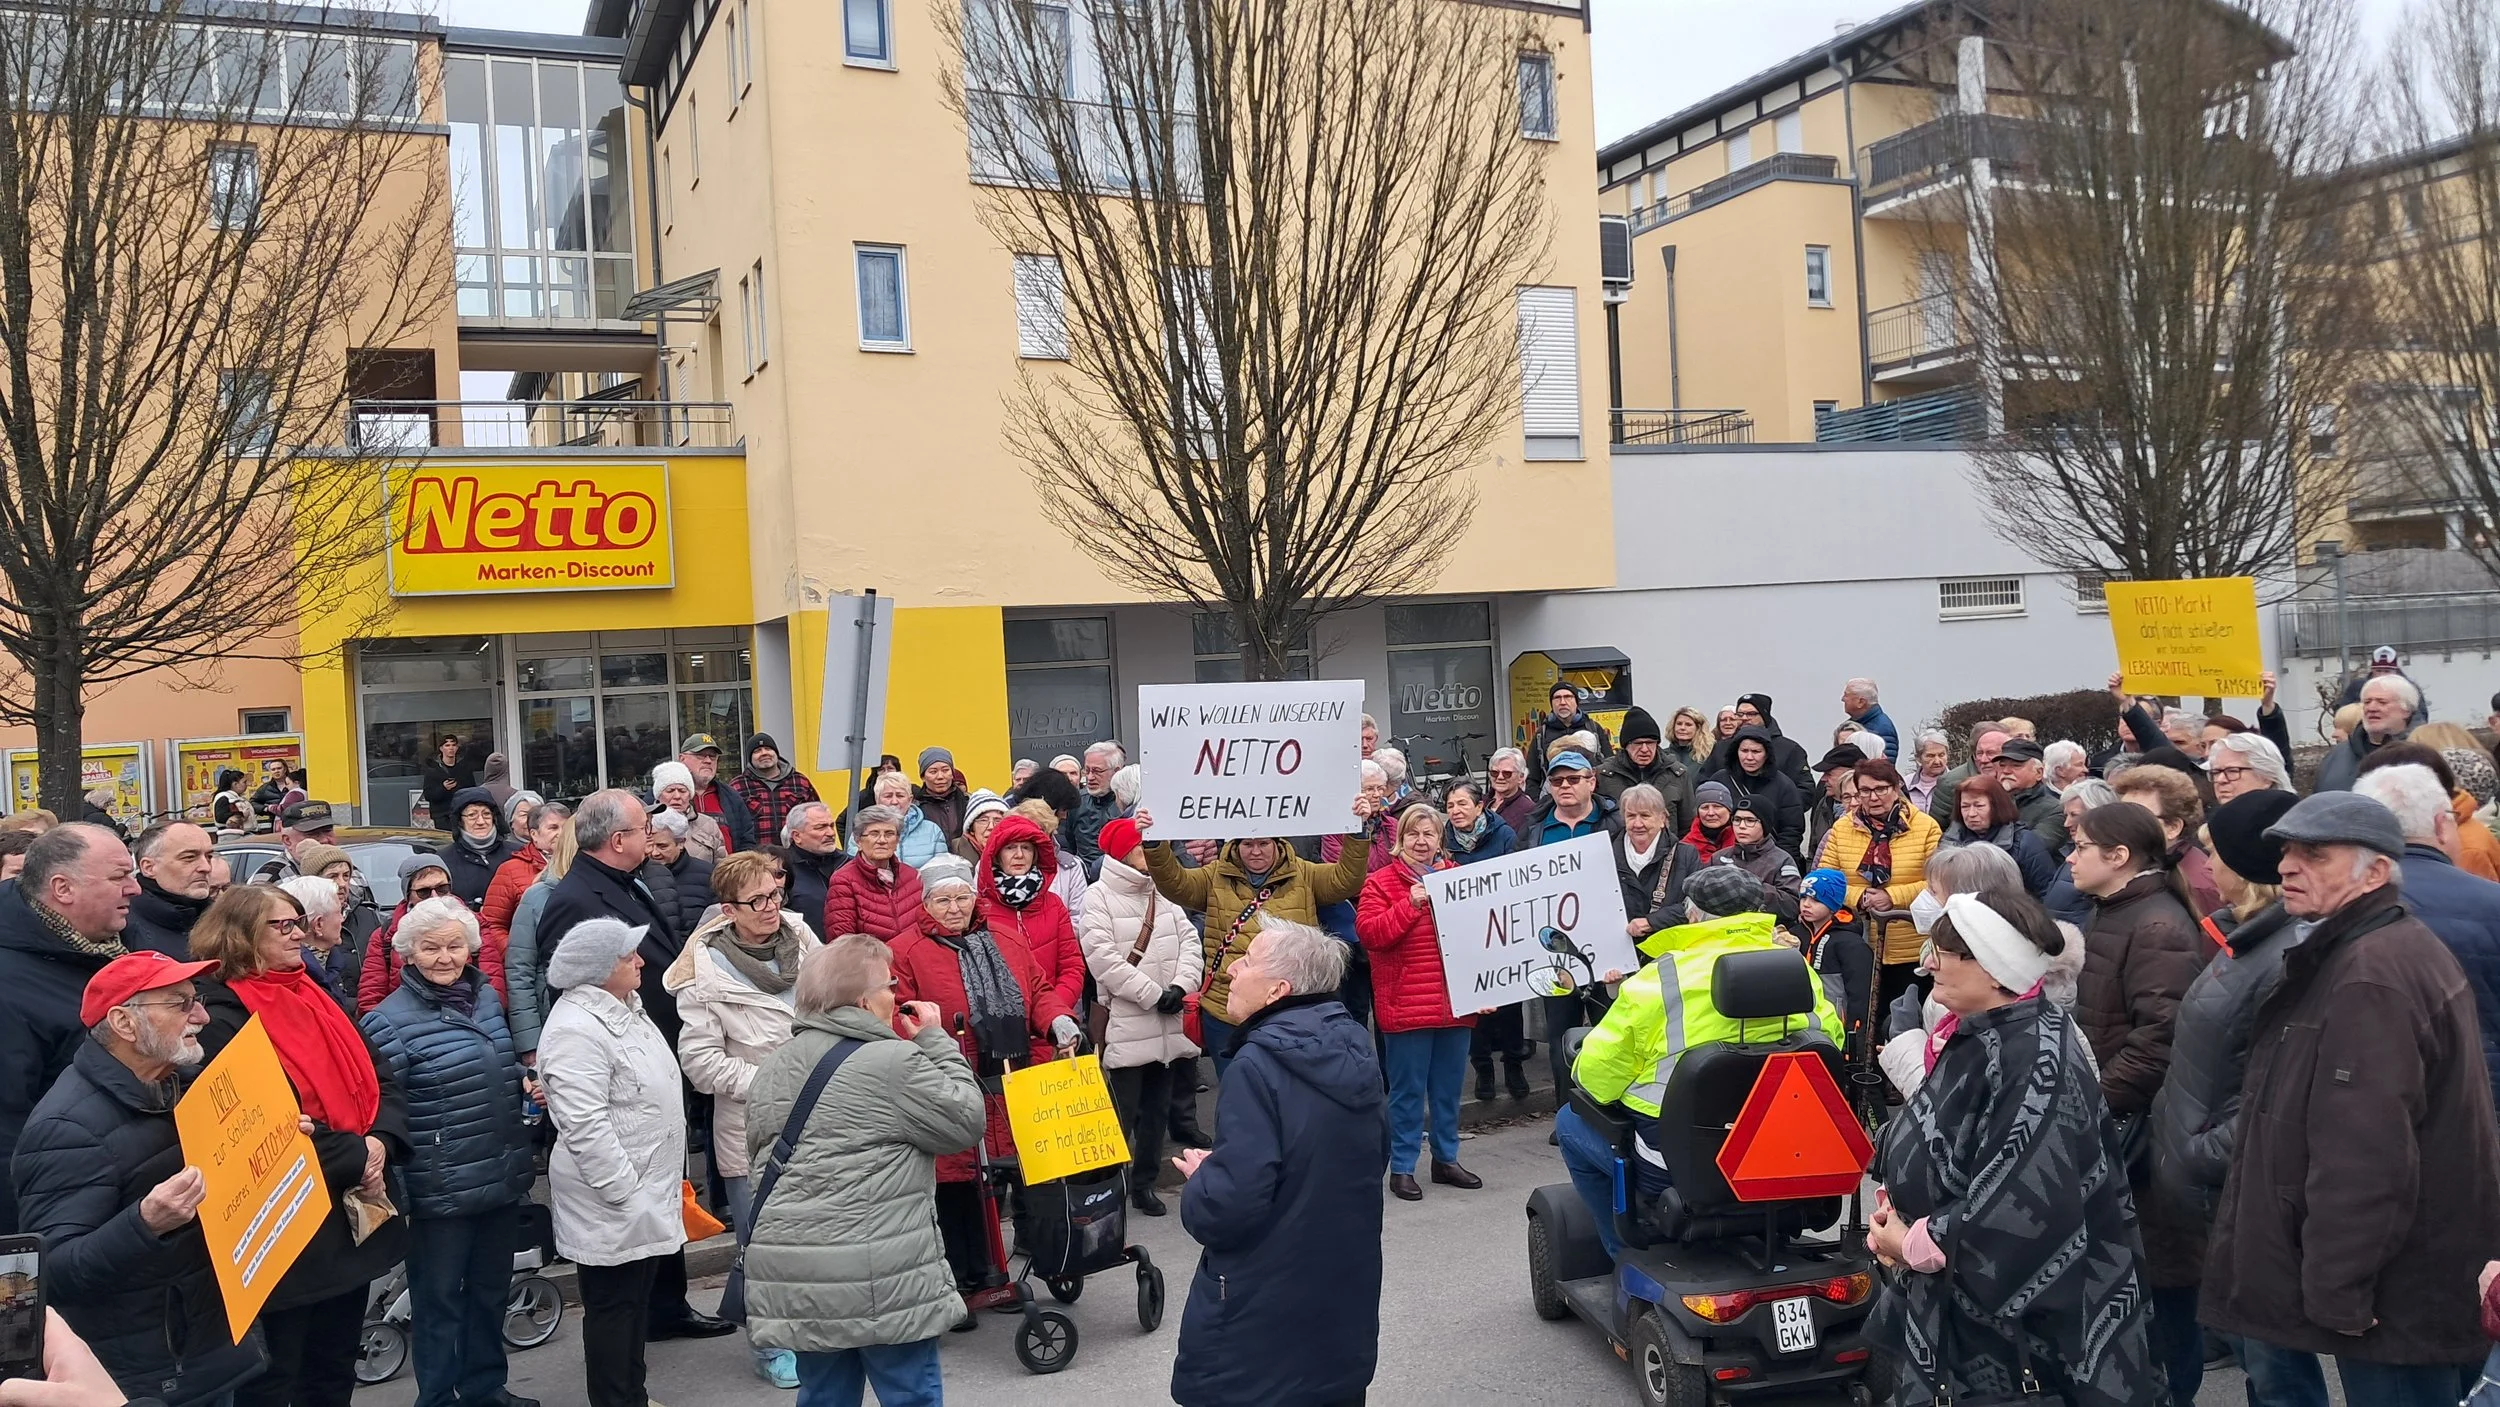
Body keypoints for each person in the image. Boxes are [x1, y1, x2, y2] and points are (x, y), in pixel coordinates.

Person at [2202, 792, 2500, 1404]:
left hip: (2398, 1287)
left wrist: (2339, 1289)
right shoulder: (2366, 951)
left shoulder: (2371, 972)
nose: (2287, 866)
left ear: (2378, 870)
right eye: (2286, 851)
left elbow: (2366, 1155)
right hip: (2410, 1273)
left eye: (2314, 854)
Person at [1865, 890, 2157, 1406]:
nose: (1926, 963)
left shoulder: (2033, 1058)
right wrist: (1895, 1201)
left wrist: (1911, 1242)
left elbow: (2023, 1211)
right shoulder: (1980, 1033)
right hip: (1960, 1304)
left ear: (1993, 969)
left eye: (1943, 954)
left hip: (2018, 1338)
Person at [13, 949, 267, 1407]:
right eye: (180, 1003)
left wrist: (278, 1133)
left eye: (198, 999)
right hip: (148, 1376)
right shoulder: (66, 1129)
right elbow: (52, 1272)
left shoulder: (183, 1082)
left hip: (203, 1347)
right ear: (125, 1023)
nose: (203, 1017)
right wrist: (146, 1222)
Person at [190, 884, 409, 1407]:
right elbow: (269, 1120)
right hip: (285, 1222)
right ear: (240, 934)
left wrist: (381, 1140)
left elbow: (378, 1075)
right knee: (277, 1377)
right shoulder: (221, 1015)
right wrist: (361, 1157)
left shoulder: (312, 990)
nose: (300, 933)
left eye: (299, 922)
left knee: (332, 1370)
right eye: (282, 926)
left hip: (348, 1209)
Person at [740, 937, 984, 1407]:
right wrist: (935, 1040)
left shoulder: (773, 1066)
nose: (896, 993)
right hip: (880, 1272)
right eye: (890, 985)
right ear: (862, 1001)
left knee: (824, 1395)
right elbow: (964, 1122)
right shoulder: (894, 1062)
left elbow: (757, 1157)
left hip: (798, 1270)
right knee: (909, 1392)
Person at [1558, 866, 1840, 1258]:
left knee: (1570, 1121)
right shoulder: (1797, 969)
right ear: (1756, 911)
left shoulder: (1660, 979)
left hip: (1680, 1168)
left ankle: (1624, 1251)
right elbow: (1832, 1046)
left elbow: (1597, 1079)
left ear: (1692, 915)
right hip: (1785, 1158)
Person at [534, 791, 728, 1347]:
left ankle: (666, 1305)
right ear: (618, 840)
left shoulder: (631, 879)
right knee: (639, 1186)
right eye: (645, 828)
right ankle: (646, 1314)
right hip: (620, 1067)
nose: (655, 835)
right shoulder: (576, 897)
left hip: (653, 1047)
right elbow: (567, 983)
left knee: (667, 1178)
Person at [1169, 920, 1385, 1407]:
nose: (1231, 970)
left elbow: (1228, 1208)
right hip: (1341, 1289)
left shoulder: (1257, 1065)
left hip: (1265, 1305)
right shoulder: (1353, 1044)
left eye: (1246, 962)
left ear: (1277, 991)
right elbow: (1370, 1155)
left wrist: (1204, 1181)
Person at [357, 898, 539, 1407]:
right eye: (430, 947)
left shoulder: (484, 1000)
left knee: (489, 1293)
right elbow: (385, 1112)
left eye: (455, 945)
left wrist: (525, 1087)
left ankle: (486, 1388)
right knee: (438, 1303)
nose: (444, 957)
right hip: (439, 1184)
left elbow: (497, 1072)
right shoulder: (386, 1022)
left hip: (499, 1172)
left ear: (472, 948)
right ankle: (437, 1398)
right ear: (407, 954)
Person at [886, 855, 1079, 1301]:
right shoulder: (904, 950)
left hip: (1015, 1079)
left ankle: (1039, 1258)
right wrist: (930, 1038)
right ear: (925, 902)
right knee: (960, 1184)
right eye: (943, 899)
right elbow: (899, 1014)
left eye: (962, 897)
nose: (955, 907)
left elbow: (1039, 992)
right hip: (952, 1083)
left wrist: (1058, 1022)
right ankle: (968, 1278)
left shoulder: (1007, 938)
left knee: (1028, 1174)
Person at [664, 852, 821, 1388]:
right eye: (757, 901)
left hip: (821, 1112)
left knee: (817, 1236)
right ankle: (772, 1343)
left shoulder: (802, 938)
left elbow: (833, 1007)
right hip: (752, 1126)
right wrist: (773, 1083)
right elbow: (701, 1063)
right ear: (728, 910)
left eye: (775, 894)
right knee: (763, 1241)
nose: (771, 907)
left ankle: (819, 1331)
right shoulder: (703, 971)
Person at [2066, 799, 2207, 1388]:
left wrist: (2096, 1101)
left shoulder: (2154, 924)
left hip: (2141, 1132)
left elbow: (2161, 1035)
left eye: (2080, 847)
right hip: (2121, 1122)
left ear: (2118, 856)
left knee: (2163, 1288)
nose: (2069, 857)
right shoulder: (2117, 910)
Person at [537, 917, 688, 1407]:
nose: (640, 962)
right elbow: (585, 1126)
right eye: (629, 956)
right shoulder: (576, 1030)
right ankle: (616, 1400)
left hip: (644, 1188)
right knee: (614, 1309)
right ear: (599, 970)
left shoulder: (626, 1010)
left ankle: (633, 1396)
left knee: (633, 1304)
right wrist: (625, 1191)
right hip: (613, 1196)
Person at [2149, 790, 2301, 1238]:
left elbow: (2285, 1090)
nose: (2206, 864)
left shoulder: (2285, 954)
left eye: (2214, 852)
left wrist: (2203, 1152)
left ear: (2248, 864)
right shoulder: (2244, 934)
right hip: (2203, 1179)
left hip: (2230, 1188)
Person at [1136, 796, 1375, 1069]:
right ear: (1235, 846)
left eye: (1263, 844)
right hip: (1227, 1009)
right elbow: (1175, 884)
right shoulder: (1214, 876)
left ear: (1277, 844)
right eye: (1248, 844)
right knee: (1236, 1092)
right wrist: (1155, 844)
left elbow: (1346, 880)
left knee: (1287, 1093)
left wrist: (1357, 833)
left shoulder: (1304, 873)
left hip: (1290, 1007)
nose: (1256, 851)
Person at [0, 824, 141, 1234]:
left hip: (123, 1194)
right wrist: (26, 1257)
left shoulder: (109, 943)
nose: (135, 889)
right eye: (119, 877)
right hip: (66, 1219)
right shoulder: (9, 983)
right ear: (63, 889)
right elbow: (8, 1129)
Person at [2352, 762, 2500, 1117]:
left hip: (2368, 1097)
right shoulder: (2493, 903)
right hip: (2481, 1099)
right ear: (2439, 823)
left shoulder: (2340, 903)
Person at [1356, 806, 1479, 1203]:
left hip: (1454, 1005)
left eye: (1429, 834)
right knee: (1407, 1093)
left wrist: (1487, 989)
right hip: (1407, 1005)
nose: (1421, 842)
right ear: (1400, 839)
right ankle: (1403, 1167)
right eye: (1414, 835)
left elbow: (1481, 938)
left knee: (1447, 1090)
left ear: (1440, 840)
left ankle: (1446, 1159)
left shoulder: (1459, 878)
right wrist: (1410, 904)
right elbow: (1370, 934)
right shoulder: (1380, 883)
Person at [1080, 818, 1202, 1216]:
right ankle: (1108, 1189)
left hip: (1168, 1021)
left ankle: (1145, 1183)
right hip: (1128, 1023)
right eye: (1142, 847)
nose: (1151, 854)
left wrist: (1181, 988)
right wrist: (1154, 995)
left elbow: (1190, 943)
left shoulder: (1162, 892)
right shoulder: (1097, 897)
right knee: (1122, 1113)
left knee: (1157, 1111)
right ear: (1123, 852)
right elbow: (1103, 959)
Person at [1815, 757, 1944, 1015]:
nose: (1873, 797)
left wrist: (1891, 897)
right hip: (1857, 941)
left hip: (1909, 944)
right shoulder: (1842, 828)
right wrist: (1860, 896)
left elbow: (1938, 882)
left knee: (1906, 1016)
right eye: (1865, 791)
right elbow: (1825, 878)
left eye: (1881, 789)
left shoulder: (1925, 827)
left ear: (1896, 788)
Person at [2113, 763, 2222, 918]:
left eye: (2139, 816)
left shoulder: (2198, 885)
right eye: (2121, 814)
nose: (2124, 824)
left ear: (2173, 827)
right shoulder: (2145, 866)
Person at [359, 855, 460, 1015]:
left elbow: (491, 985)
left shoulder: (473, 925)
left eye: (442, 889)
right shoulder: (385, 936)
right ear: (408, 895)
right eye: (423, 892)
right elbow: (371, 998)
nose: (434, 897)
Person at [483, 800, 566, 986]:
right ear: (534, 835)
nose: (561, 833)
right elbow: (492, 925)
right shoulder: (511, 870)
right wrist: (519, 954)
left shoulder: (580, 866)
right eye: (553, 827)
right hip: (530, 973)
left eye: (566, 827)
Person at [822, 805, 924, 943]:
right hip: (869, 961)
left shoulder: (913, 876)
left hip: (911, 960)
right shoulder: (844, 880)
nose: (882, 840)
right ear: (858, 841)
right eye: (874, 834)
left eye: (889, 834)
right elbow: (842, 941)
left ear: (897, 840)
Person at [1942, 774, 2056, 897]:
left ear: (1997, 806)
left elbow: (2046, 892)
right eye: (1965, 806)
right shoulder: (1950, 840)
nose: (1971, 814)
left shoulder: (2023, 842)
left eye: (1979, 806)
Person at [1702, 726, 1805, 857]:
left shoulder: (1784, 785)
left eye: (1756, 751)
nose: (1749, 757)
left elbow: (1791, 831)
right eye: (1744, 751)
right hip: (1724, 857)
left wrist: (1778, 861)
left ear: (1767, 754)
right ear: (1736, 752)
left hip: (1769, 859)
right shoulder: (1720, 780)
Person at [123, 821, 217, 960]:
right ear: (149, 867)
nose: (206, 867)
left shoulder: (226, 921)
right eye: (189, 858)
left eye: (208, 857)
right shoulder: (121, 927)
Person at [2314, 674, 2420, 793]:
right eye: (2367, 702)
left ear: (2406, 710)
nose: (2372, 708)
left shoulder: (2422, 755)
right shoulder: (2337, 756)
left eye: (2382, 702)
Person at [1595, 707, 1692, 832]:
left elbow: (1688, 825)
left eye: (1650, 742)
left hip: (1667, 848)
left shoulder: (1678, 773)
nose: (1645, 749)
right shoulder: (1604, 775)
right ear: (1626, 745)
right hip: (1619, 848)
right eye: (1638, 743)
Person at [1710, 797, 1803, 923]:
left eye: (1750, 820)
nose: (1742, 826)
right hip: (1721, 929)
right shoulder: (1718, 858)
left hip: (1763, 933)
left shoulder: (1782, 860)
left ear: (1765, 825)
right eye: (1737, 820)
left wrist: (1750, 886)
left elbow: (1792, 906)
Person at [729, 734, 820, 859]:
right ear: (750, 758)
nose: (764, 753)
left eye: (768, 749)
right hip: (757, 861)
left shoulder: (800, 782)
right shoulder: (737, 786)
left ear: (776, 753)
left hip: (799, 858)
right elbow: (733, 827)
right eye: (757, 751)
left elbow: (817, 818)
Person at [436, 787, 522, 916]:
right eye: (472, 815)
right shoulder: (442, 860)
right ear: (459, 821)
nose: (481, 821)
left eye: (486, 814)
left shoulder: (518, 853)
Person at [277, 876, 358, 1011]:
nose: (342, 919)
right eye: (340, 912)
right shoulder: (294, 977)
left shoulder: (328, 961)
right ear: (319, 924)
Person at [676, 734, 760, 852]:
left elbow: (746, 839)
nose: (708, 761)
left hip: (727, 869)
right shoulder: (665, 795)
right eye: (701, 755)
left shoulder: (731, 797)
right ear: (682, 759)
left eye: (713, 756)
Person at [1615, 784, 1676, 943]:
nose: (1637, 823)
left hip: (1668, 951)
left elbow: (1692, 907)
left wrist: (1652, 922)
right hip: (1619, 953)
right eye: (1631, 816)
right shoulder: (1607, 854)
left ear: (1662, 819)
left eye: (1645, 815)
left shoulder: (1685, 855)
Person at [1990, 736, 2071, 857]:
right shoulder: (1988, 802)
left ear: (2038, 773)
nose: (2006, 771)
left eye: (2016, 765)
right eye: (2002, 765)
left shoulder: (2055, 810)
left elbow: (2031, 851)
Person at [780, 802, 850, 942]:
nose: (830, 833)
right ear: (797, 836)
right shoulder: (781, 870)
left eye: (831, 826)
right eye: (820, 827)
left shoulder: (851, 865)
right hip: (802, 953)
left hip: (850, 953)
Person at [1524, 683, 1613, 792]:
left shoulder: (1594, 728)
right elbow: (1532, 777)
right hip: (1554, 799)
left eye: (1568, 697)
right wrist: (1539, 803)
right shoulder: (1541, 734)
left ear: (1576, 702)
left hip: (1593, 797)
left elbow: (1609, 766)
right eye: (1557, 698)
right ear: (1551, 704)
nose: (1562, 702)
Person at [642, 812, 716, 937]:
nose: (654, 853)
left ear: (681, 843)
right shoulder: (636, 875)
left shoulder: (710, 876)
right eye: (649, 845)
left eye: (662, 846)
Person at [1924, 724, 2009, 831]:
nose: (1984, 759)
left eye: (1991, 753)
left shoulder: (2015, 777)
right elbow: (1936, 827)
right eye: (1979, 753)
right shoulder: (1951, 782)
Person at [1067, 741, 1126, 880]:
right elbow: (1070, 843)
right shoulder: (1076, 802)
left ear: (1117, 771)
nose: (1090, 777)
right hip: (1084, 882)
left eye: (1097, 771)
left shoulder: (1129, 802)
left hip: (1121, 880)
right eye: (1087, 771)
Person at [650, 762, 729, 863]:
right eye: (670, 791)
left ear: (690, 795)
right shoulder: (644, 823)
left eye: (682, 790)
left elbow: (721, 865)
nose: (677, 796)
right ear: (658, 795)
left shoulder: (709, 825)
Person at [2205, 730, 2292, 805]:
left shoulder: (2293, 822)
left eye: (2232, 771)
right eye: (2216, 772)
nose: (2220, 780)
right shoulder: (2210, 822)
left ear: (2267, 778)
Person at [910, 747, 971, 844]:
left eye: (945, 770)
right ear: (923, 777)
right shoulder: (915, 808)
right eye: (933, 772)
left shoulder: (968, 802)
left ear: (952, 774)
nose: (940, 777)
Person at [421, 734, 472, 833]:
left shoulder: (464, 768)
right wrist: (443, 788)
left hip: (461, 814)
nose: (451, 748)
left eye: (453, 745)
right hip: (442, 816)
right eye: (447, 745)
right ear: (441, 748)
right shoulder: (433, 770)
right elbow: (428, 795)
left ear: (457, 748)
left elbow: (471, 790)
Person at [1841, 677, 1898, 759]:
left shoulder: (1882, 728)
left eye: (1846, 695)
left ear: (1861, 702)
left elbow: (1885, 766)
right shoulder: (1853, 724)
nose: (1842, 699)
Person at [1486, 747, 1536, 836]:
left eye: (1507, 773)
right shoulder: (1480, 802)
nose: (1500, 777)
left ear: (1521, 777)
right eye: (1495, 772)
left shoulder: (1528, 809)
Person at [950, 790, 1009, 865]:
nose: (991, 827)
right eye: (983, 820)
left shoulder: (1016, 852)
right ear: (971, 828)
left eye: (998, 820)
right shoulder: (954, 852)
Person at [1903, 731, 1952, 813]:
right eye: (1930, 756)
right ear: (1918, 758)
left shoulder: (1957, 782)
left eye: (1941, 755)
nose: (1937, 761)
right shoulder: (1906, 784)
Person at [1664, 706, 1713, 774]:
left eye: (1688, 725)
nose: (1682, 728)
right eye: (1679, 724)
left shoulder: (1707, 756)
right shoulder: (1663, 756)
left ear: (1698, 728)